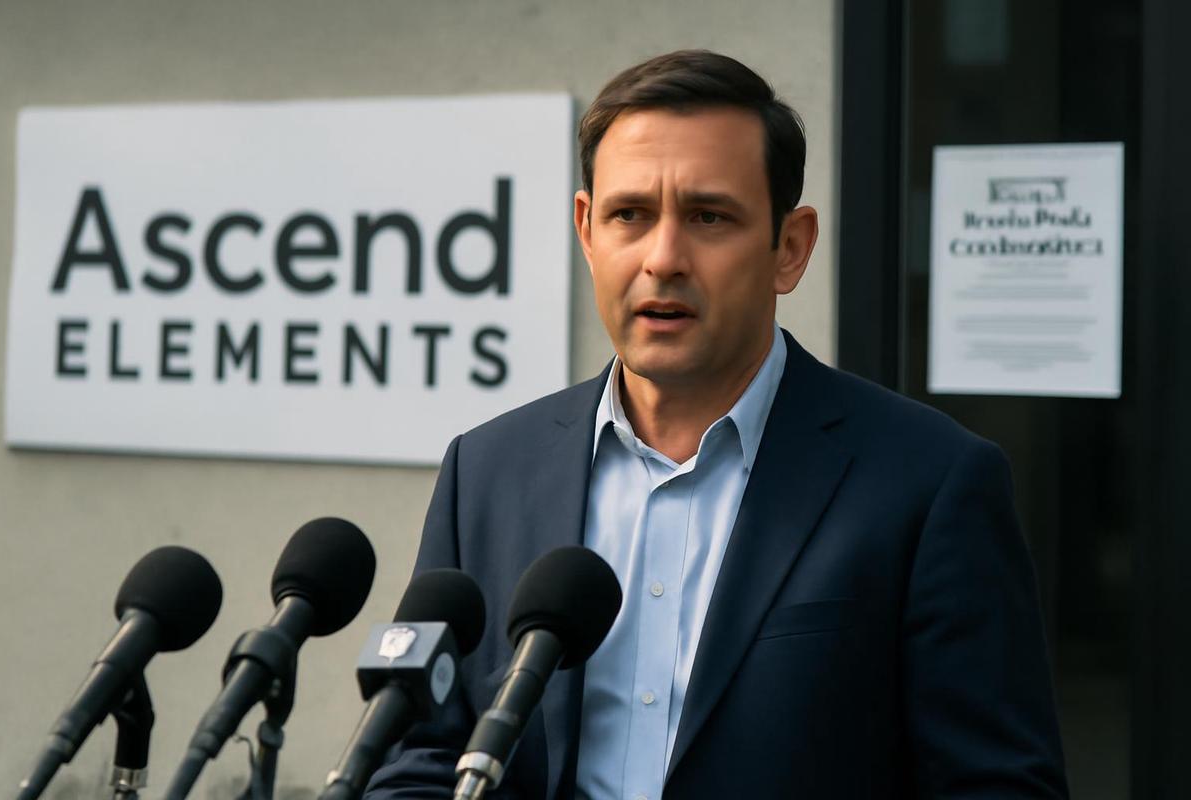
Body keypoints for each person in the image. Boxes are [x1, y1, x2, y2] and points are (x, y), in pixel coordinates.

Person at [364, 49, 1067, 799]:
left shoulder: (929, 482)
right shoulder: (486, 471)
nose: (663, 259)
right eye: (630, 215)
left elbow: (996, 787)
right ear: (587, 230)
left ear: (789, 248)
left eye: (709, 216)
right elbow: (422, 756)